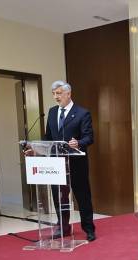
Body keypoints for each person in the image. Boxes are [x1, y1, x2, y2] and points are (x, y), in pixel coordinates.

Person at [45, 80, 96, 241]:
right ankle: (63, 227)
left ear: (68, 93)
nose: (56, 97)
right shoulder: (52, 112)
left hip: (76, 164)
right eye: (54, 94)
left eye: (59, 93)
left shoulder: (82, 113)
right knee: (59, 196)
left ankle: (89, 229)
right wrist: (36, 147)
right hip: (56, 164)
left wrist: (78, 143)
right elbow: (48, 137)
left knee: (82, 197)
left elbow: (89, 137)